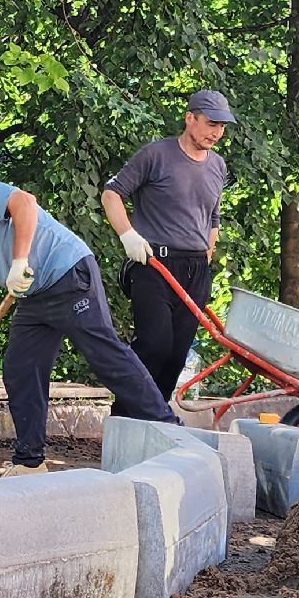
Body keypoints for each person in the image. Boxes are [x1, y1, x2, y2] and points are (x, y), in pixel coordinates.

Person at [0, 171, 180, 476]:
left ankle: (173, 432)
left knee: (105, 355)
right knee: (20, 368)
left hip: (67, 271)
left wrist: (19, 261)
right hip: (34, 296)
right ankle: (30, 462)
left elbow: (24, 203)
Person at [102, 89, 234, 400]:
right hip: (153, 264)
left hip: (195, 270)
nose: (216, 132)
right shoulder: (156, 155)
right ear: (190, 119)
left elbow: (213, 217)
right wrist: (127, 235)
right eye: (211, 123)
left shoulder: (218, 166)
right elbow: (111, 194)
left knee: (176, 355)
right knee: (155, 345)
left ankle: (156, 421)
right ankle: (126, 417)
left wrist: (207, 255)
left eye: (222, 126)